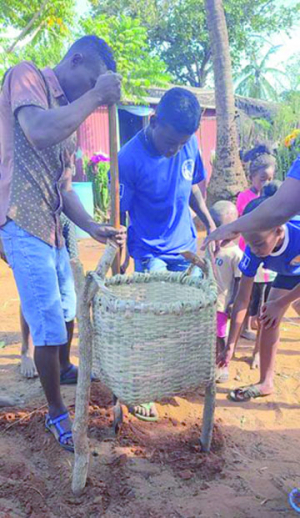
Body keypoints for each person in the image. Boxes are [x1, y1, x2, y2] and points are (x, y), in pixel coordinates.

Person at [0, 35, 126, 452]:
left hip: (53, 225)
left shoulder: (70, 118)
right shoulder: (27, 76)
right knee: (49, 326)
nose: (90, 92)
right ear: (76, 60)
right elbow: (36, 132)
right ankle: (56, 411)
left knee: (69, 310)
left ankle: (66, 368)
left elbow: (65, 188)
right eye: (89, 80)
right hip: (21, 221)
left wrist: (92, 226)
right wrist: (97, 96)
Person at [119, 87, 216, 421]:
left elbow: (191, 188)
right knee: (150, 323)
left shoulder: (187, 142)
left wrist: (209, 221)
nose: (175, 150)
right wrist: (120, 258)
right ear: (155, 119)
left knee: (190, 317)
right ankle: (142, 388)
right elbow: (122, 214)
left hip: (186, 247)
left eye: (182, 143)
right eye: (170, 142)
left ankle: (173, 376)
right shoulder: (128, 158)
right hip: (150, 251)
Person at [216, 190, 300, 402]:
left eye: (260, 244)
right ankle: (266, 382)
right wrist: (231, 345)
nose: (255, 250)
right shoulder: (254, 249)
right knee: (269, 317)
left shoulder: (298, 233)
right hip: (289, 272)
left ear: (279, 231)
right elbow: (243, 299)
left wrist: (281, 303)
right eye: (250, 244)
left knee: (278, 306)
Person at [237, 146, 276, 346]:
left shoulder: (274, 199)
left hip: (267, 254)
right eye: (263, 178)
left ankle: (254, 326)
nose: (266, 183)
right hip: (250, 251)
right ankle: (244, 327)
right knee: (247, 292)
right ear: (252, 176)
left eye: (270, 179)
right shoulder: (244, 197)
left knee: (261, 292)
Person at [210, 201, 243, 383]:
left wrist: (233, 302)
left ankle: (223, 366)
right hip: (210, 302)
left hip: (223, 304)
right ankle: (213, 363)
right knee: (211, 334)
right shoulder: (212, 249)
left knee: (221, 335)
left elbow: (239, 281)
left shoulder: (235, 254)